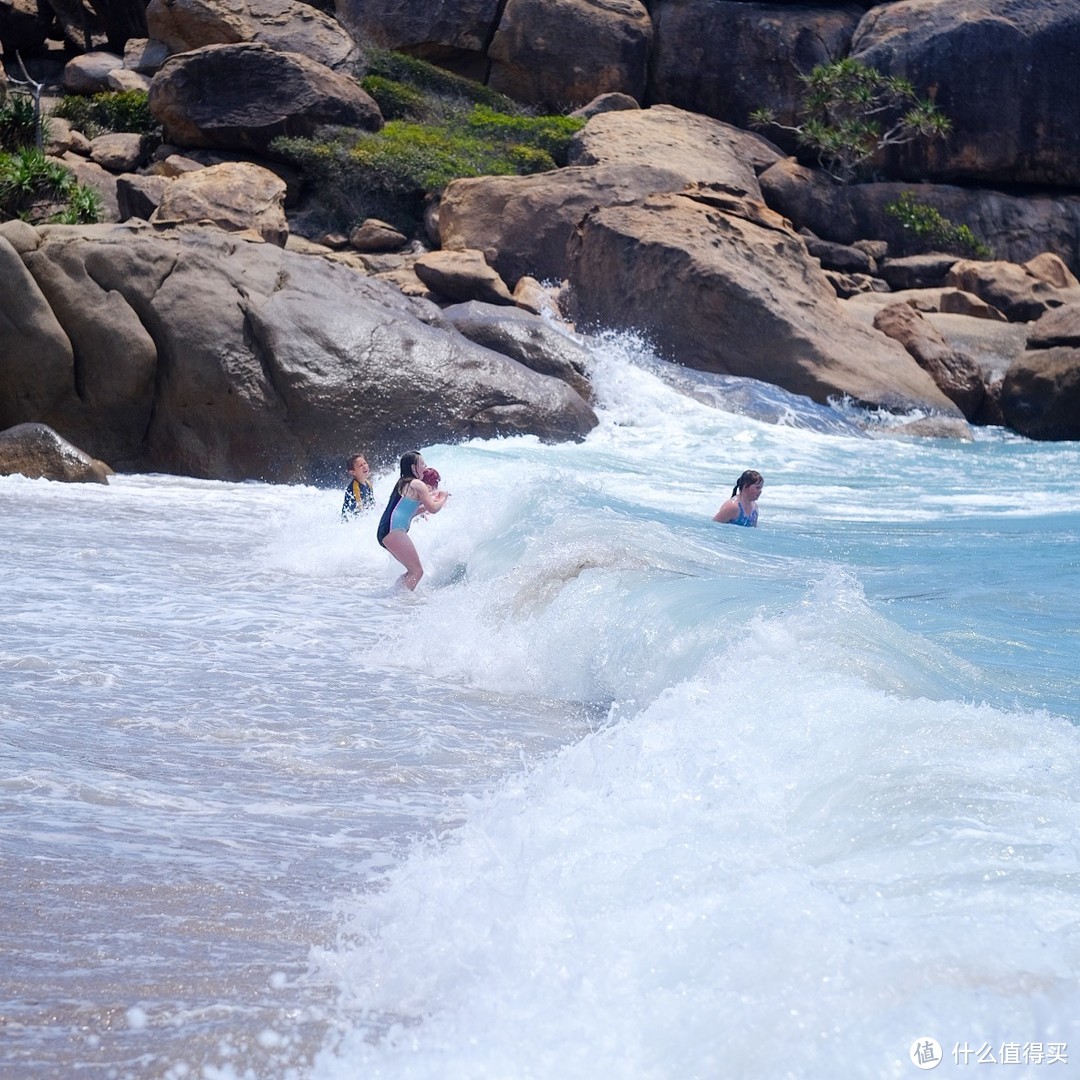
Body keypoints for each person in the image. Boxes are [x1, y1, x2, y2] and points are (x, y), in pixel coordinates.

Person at [376, 450, 448, 590]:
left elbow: (410, 512)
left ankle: (393, 596)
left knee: (412, 571)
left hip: (385, 531)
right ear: (414, 468)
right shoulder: (417, 484)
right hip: (393, 531)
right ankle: (400, 602)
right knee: (417, 571)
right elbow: (433, 508)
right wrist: (443, 496)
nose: (425, 466)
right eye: (422, 463)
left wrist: (430, 503)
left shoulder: (404, 483)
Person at [341, 453, 375, 520]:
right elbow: (359, 510)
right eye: (360, 466)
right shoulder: (355, 488)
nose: (364, 466)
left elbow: (372, 503)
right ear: (353, 472)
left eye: (365, 463)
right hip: (349, 521)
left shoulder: (368, 483)